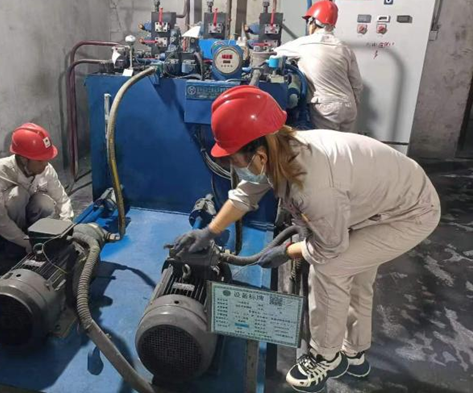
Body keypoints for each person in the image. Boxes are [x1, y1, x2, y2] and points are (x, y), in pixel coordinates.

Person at [172, 86, 440, 392]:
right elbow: (245, 195)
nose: (234, 166)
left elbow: (330, 248)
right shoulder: (280, 148)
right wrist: (210, 231)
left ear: (259, 155)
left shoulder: (313, 184)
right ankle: (354, 353)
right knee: (358, 274)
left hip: (410, 213)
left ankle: (326, 357)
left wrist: (288, 251)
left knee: (332, 268)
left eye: (234, 159)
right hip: (385, 200)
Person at [0, 123, 74, 256]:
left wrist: (66, 224)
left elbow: (62, 199)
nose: (45, 164)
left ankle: (33, 232)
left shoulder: (45, 168)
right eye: (40, 161)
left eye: (46, 159)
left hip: (23, 205)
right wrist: (27, 244)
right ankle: (16, 240)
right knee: (18, 196)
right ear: (24, 159)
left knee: (45, 203)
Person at [275, 0, 363, 132]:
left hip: (326, 107)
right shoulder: (344, 47)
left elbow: (272, 53)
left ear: (312, 22)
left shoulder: (304, 44)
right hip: (349, 107)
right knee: (344, 142)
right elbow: (357, 84)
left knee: (326, 144)